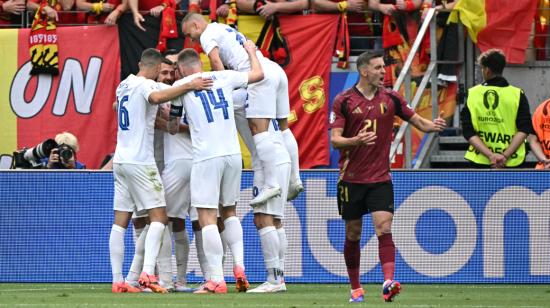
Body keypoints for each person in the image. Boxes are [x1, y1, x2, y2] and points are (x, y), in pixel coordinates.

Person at [330, 50, 446, 303]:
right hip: (350, 178)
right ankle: (356, 287)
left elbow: (418, 121)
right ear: (364, 71)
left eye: (384, 67)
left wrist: (433, 125)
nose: (384, 71)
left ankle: (388, 281)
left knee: (384, 227)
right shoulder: (344, 100)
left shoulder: (391, 97)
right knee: (353, 233)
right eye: (379, 67)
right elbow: (335, 140)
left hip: (381, 178)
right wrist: (356, 140)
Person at [109, 48, 212, 293]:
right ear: (155, 69)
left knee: (119, 222)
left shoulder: (123, 85)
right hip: (141, 162)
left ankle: (118, 280)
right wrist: (189, 86)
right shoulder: (147, 85)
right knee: (160, 218)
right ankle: (147, 274)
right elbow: (156, 98)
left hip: (121, 160)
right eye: (161, 71)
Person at [169, 40, 263, 294]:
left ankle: (217, 279)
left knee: (207, 215)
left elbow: (172, 126)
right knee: (230, 211)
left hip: (206, 156)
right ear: (200, 63)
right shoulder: (224, 76)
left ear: (181, 69)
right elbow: (258, 74)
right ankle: (240, 267)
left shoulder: (180, 86)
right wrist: (252, 53)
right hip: (233, 155)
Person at [181, 13, 304, 205]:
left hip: (260, 77)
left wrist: (224, 83)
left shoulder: (206, 34)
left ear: (196, 25)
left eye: (191, 35)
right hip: (275, 70)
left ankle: (271, 184)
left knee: (258, 129)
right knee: (283, 127)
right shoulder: (224, 28)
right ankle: (295, 178)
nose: (192, 40)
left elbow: (215, 61)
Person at [460, 49, 535, 169]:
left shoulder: (472, 94)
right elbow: (524, 129)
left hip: (481, 161)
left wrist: (491, 156)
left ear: (487, 71)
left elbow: (468, 131)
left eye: (482, 68)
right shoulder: (517, 94)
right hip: (512, 161)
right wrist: (504, 156)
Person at [530, 98, 550, 169]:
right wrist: (544, 161)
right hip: (545, 168)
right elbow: (534, 140)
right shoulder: (541, 110)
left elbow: (534, 141)